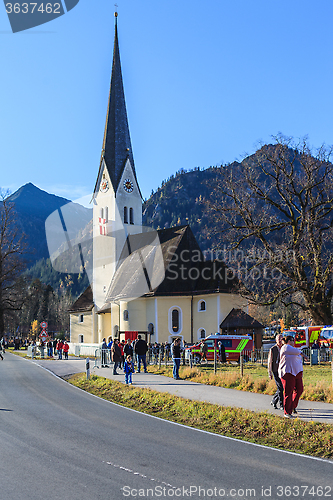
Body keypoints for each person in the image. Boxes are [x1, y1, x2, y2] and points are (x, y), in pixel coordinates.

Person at [278, 335, 308, 418]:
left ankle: (293, 406)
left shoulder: (293, 349)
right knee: (288, 392)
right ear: (288, 341)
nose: (293, 341)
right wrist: (304, 355)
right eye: (292, 340)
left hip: (297, 373)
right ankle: (287, 412)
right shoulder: (285, 347)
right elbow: (298, 352)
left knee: (299, 389)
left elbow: (297, 354)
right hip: (287, 373)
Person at [268, 334, 284, 410]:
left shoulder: (285, 348)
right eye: (279, 339)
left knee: (281, 387)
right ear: (276, 340)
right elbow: (269, 362)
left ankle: (274, 401)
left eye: (281, 339)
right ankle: (281, 405)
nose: (280, 341)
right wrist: (269, 372)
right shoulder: (273, 349)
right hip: (275, 370)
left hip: (283, 370)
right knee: (280, 387)